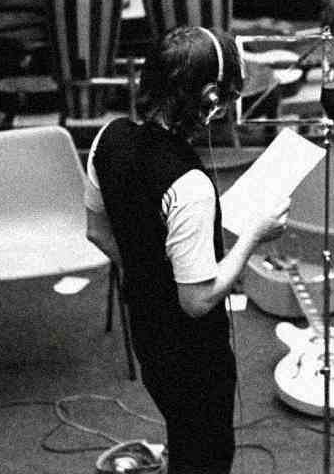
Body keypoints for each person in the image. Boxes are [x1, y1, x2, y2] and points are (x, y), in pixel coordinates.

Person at [84, 25, 290, 474]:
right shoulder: (189, 186)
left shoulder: (108, 138)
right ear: (211, 98)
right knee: (207, 454)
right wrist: (256, 234)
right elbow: (196, 300)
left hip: (146, 330)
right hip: (195, 355)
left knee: (181, 429)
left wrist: (146, 272)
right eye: (230, 97)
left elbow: (96, 233)